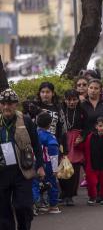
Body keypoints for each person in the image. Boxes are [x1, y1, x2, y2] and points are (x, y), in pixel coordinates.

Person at [0, 88, 45, 230]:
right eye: (3, 103)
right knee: (3, 211)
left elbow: (36, 144)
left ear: (16, 104)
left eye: (10, 103)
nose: (7, 106)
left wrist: (40, 166)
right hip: (2, 172)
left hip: (22, 170)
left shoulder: (25, 120)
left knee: (23, 206)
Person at [76, 117, 103, 205]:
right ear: (96, 126)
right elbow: (84, 147)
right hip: (92, 165)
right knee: (91, 182)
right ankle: (92, 197)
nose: (102, 128)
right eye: (100, 126)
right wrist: (77, 144)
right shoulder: (90, 136)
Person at [59, 90, 85, 206]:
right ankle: (64, 193)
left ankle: (70, 195)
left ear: (78, 100)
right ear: (65, 100)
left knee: (74, 169)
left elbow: (88, 125)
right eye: (69, 100)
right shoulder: (60, 111)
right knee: (62, 168)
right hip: (63, 140)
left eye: (74, 99)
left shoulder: (81, 110)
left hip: (76, 141)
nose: (72, 102)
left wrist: (82, 137)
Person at [32, 112, 61, 214]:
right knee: (51, 184)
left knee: (34, 184)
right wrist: (55, 169)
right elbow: (53, 155)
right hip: (47, 164)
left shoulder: (33, 134)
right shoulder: (50, 137)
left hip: (34, 163)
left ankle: (34, 205)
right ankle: (53, 206)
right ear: (50, 124)